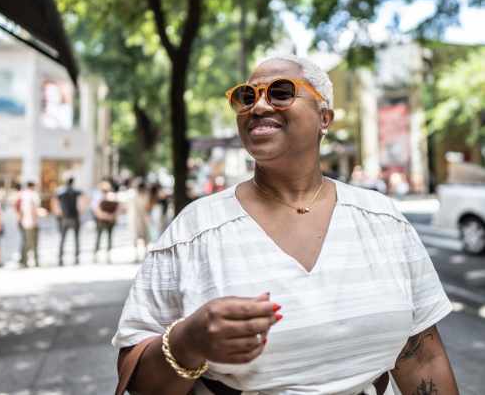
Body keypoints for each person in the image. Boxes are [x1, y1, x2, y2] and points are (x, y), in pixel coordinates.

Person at [112, 54, 458, 395]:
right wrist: (190, 341)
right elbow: (140, 379)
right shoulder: (194, 230)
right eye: (246, 97)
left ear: (324, 117)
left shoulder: (383, 221)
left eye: (280, 92)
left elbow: (423, 359)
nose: (258, 107)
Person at [55, 177, 82, 266]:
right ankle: (76, 258)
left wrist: (58, 212)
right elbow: (84, 199)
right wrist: (81, 210)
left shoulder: (61, 192)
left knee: (63, 239)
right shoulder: (76, 192)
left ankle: (60, 258)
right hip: (74, 217)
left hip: (65, 218)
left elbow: (55, 201)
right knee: (76, 238)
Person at [93, 181, 119, 263]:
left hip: (102, 220)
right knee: (107, 237)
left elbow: (96, 210)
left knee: (101, 237)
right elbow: (118, 208)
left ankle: (99, 253)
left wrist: (105, 216)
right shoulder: (112, 197)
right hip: (108, 220)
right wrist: (111, 216)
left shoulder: (99, 197)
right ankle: (105, 254)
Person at [127, 179, 151, 262]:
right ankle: (140, 254)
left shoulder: (134, 195)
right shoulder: (139, 195)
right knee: (140, 236)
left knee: (141, 236)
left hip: (138, 218)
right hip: (138, 218)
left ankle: (140, 254)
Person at [19, 181, 41, 267]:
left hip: (25, 221)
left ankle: (24, 261)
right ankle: (35, 262)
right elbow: (33, 208)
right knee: (33, 242)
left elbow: (21, 209)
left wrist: (21, 220)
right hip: (31, 221)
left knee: (26, 242)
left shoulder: (23, 195)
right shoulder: (33, 195)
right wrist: (34, 220)